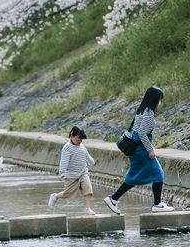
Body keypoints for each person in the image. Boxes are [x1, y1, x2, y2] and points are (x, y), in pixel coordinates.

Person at [104, 86, 173, 215]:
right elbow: (142, 133)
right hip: (141, 149)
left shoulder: (142, 110)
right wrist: (150, 150)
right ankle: (157, 204)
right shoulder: (148, 114)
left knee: (134, 176)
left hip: (135, 148)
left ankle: (113, 199)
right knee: (158, 173)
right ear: (155, 99)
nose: (160, 102)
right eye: (159, 99)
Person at [48, 126, 96, 215]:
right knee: (68, 193)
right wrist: (62, 174)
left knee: (88, 189)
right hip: (71, 175)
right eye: (78, 138)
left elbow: (86, 155)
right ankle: (55, 196)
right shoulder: (67, 148)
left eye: (81, 139)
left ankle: (87, 208)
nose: (80, 141)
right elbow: (64, 162)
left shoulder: (82, 146)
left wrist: (91, 161)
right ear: (72, 136)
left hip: (83, 172)